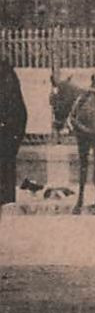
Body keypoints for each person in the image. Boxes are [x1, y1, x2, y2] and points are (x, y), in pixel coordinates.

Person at [1, 58, 27, 207]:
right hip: (11, 126)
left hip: (9, 127)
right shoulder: (7, 73)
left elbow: (8, 102)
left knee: (6, 162)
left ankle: (7, 199)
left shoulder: (6, 75)